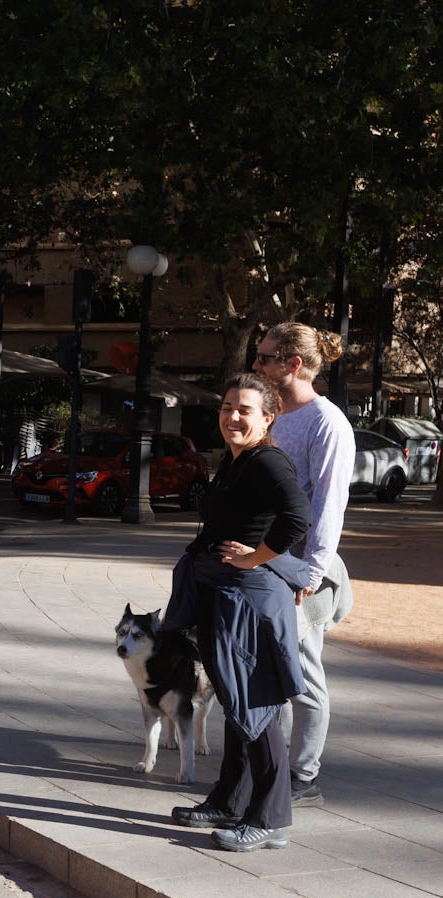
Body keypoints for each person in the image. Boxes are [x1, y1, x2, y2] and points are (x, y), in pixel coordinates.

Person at [168, 374, 312, 853]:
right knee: (236, 703)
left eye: (244, 409)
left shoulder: (267, 461)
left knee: (257, 706)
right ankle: (231, 799)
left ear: (268, 417)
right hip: (222, 591)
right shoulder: (236, 461)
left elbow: (297, 518)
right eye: (227, 406)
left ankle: (270, 819)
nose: (232, 416)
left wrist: (254, 557)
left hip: (247, 599)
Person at [252, 324, 355, 807]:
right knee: (268, 668)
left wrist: (311, 575)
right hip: (262, 561)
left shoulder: (326, 422)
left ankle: (304, 775)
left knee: (303, 673)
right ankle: (271, 766)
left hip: (298, 569)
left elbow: (330, 505)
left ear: (293, 365)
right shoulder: (270, 414)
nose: (257, 365)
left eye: (265, 358)